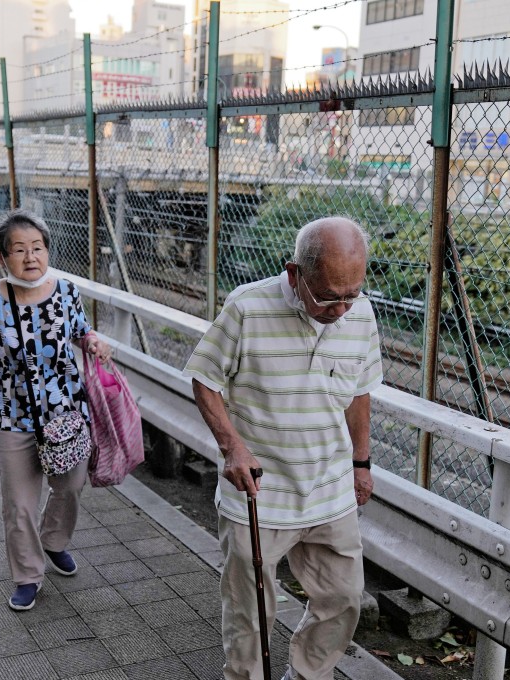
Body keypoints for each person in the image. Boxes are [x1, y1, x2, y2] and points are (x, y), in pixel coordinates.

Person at [184, 217, 383, 680]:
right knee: (250, 614)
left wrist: (361, 462)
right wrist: (231, 446)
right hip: (259, 492)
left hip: (329, 490)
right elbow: (205, 379)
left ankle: (308, 673)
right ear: (295, 274)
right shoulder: (247, 309)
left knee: (343, 598)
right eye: (329, 295)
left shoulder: (361, 314)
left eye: (352, 293)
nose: (341, 308)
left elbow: (358, 394)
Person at [0, 209, 111, 611]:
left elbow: (82, 334)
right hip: (12, 415)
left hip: (66, 414)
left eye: (37, 248)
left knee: (70, 487)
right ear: (2, 257)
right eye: (19, 250)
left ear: (47, 251)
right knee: (19, 502)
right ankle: (28, 574)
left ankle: (53, 540)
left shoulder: (66, 292)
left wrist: (96, 342)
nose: (31, 257)